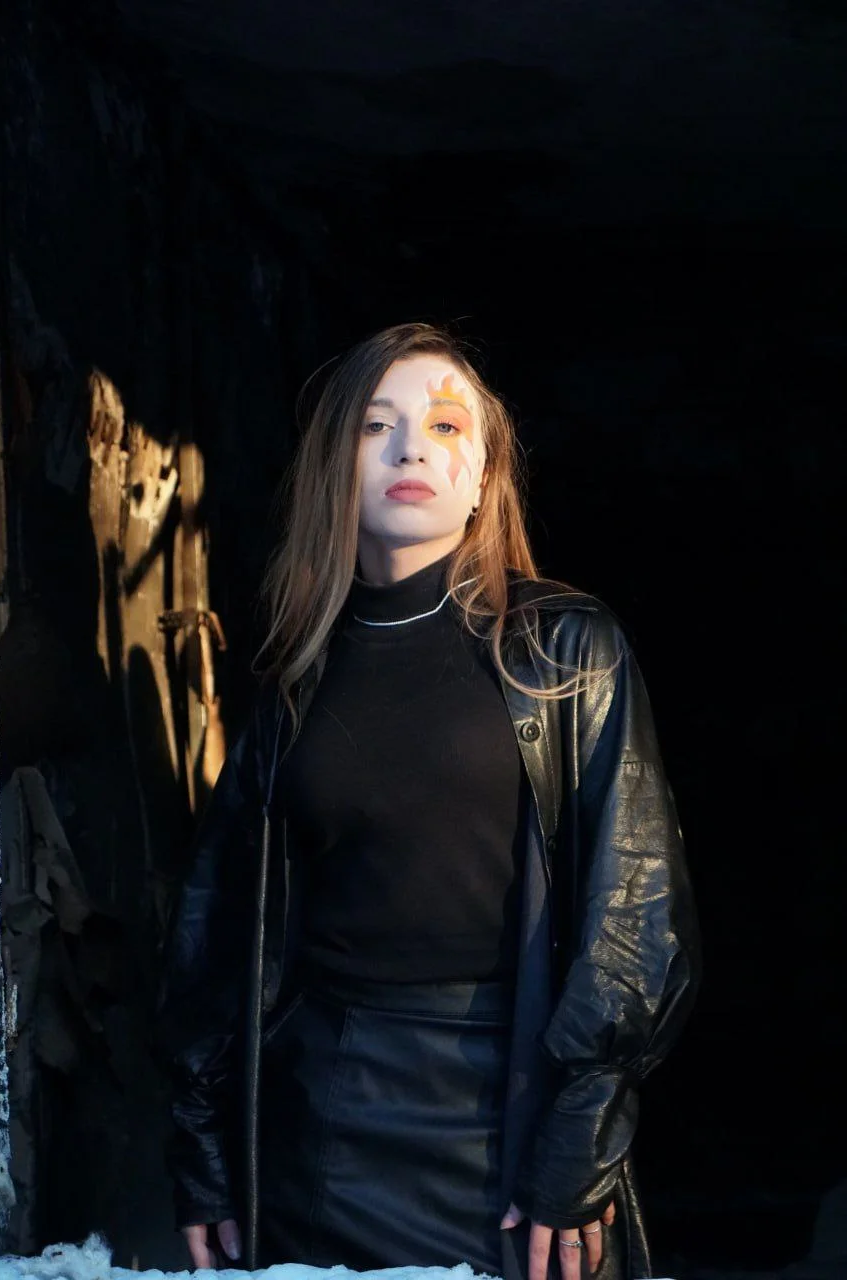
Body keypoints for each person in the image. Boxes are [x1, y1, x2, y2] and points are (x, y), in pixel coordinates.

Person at [153, 322, 702, 1280]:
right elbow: (217, 924)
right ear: (336, 466)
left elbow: (638, 911)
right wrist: (200, 1147)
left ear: (484, 476)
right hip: (321, 1121)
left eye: (445, 426)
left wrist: (579, 1132)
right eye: (377, 425)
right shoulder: (295, 672)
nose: (411, 449)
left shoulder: (562, 646)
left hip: (512, 1109)